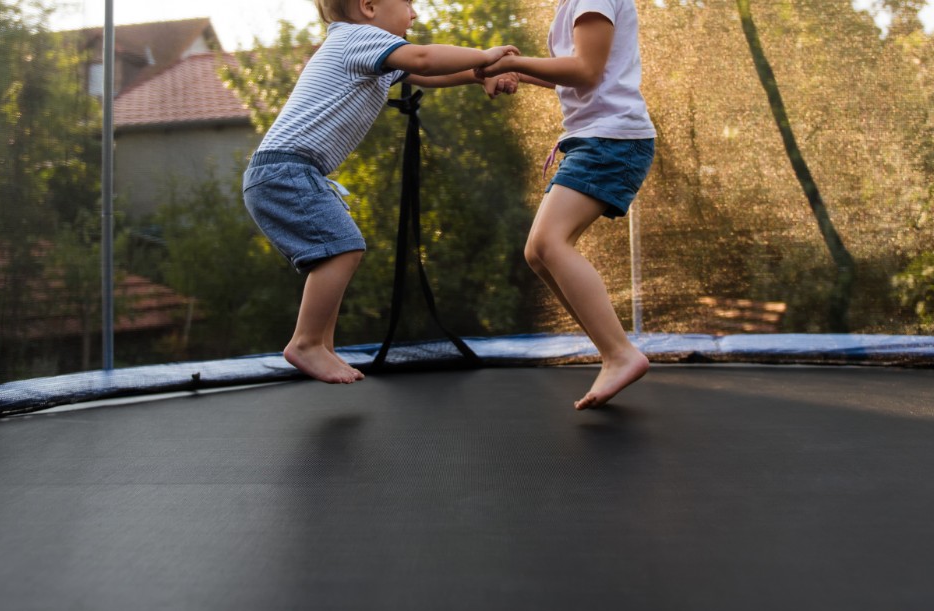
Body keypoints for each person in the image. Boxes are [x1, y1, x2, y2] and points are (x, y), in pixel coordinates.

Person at [243, 0, 520, 384]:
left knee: (334, 254)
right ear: (369, 7)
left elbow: (425, 75)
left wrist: (477, 76)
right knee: (344, 248)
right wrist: (484, 55)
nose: (414, 13)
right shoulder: (357, 38)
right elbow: (424, 59)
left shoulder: (364, 50)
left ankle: (321, 344)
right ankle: (305, 343)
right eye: (408, 2)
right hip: (286, 172)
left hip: (288, 172)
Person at [477, 0, 656, 409]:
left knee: (550, 243)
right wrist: (514, 73)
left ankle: (620, 354)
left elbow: (586, 71)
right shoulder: (570, 6)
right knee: (538, 252)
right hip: (595, 139)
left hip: (612, 140)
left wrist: (512, 64)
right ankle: (614, 352)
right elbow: (577, 76)